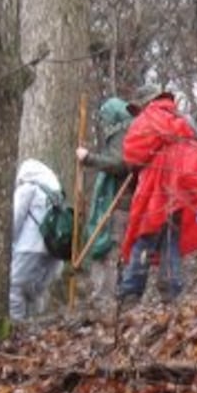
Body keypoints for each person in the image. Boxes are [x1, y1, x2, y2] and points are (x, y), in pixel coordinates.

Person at [118, 86, 197, 303]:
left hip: (157, 189)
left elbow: (132, 154)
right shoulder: (179, 117)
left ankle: (130, 291)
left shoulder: (148, 117)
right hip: (181, 186)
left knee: (145, 237)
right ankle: (172, 290)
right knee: (170, 237)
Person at [76, 97, 137, 298]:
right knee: (110, 249)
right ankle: (107, 296)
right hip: (119, 201)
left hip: (120, 203)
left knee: (110, 250)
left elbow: (119, 164)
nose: (103, 124)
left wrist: (89, 158)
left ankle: (106, 298)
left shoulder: (122, 133)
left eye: (104, 119)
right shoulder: (124, 132)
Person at [10, 159, 66, 321]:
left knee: (15, 288)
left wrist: (10, 242)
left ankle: (17, 328)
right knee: (36, 292)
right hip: (54, 250)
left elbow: (16, 218)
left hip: (29, 247)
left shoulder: (28, 188)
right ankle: (34, 331)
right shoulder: (56, 193)